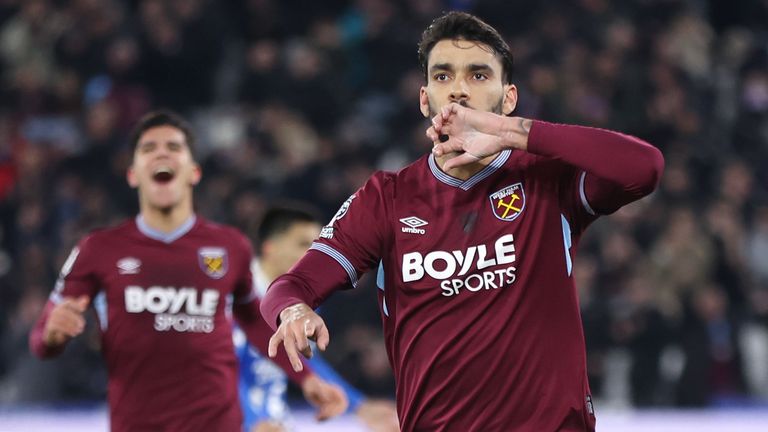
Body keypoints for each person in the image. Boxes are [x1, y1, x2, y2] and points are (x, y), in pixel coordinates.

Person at [261, 11, 664, 432]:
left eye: (478, 75)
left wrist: (513, 133)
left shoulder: (547, 179)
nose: (458, 89)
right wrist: (293, 311)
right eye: (443, 76)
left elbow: (644, 167)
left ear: (509, 98)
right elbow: (291, 286)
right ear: (424, 100)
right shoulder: (387, 198)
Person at [28, 110, 347, 432]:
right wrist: (53, 334)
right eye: (149, 148)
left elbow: (254, 322)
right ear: (133, 174)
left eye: (174, 147)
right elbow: (41, 341)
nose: (162, 153)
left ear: (194, 172)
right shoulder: (97, 249)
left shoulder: (230, 246)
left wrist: (308, 379)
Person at [235, 204, 399, 432]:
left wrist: (359, 406)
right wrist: (252, 421)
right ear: (270, 248)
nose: (313, 253)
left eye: (318, 244)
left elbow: (307, 362)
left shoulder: (302, 305)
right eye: (303, 244)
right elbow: (215, 368)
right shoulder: (233, 295)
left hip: (273, 418)